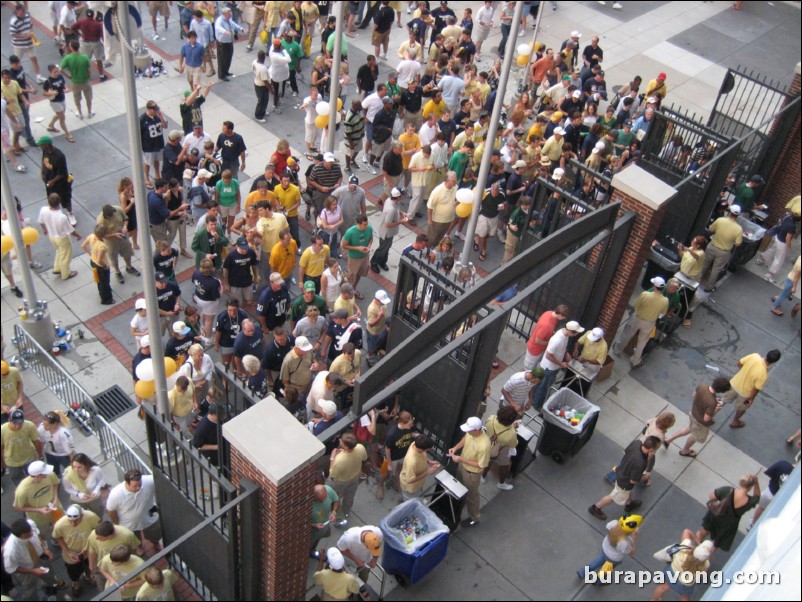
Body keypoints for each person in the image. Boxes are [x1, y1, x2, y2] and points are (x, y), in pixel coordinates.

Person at [589, 437, 660, 520]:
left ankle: (629, 504)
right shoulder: (641, 463)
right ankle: (595, 508)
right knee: (613, 496)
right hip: (624, 483)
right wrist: (645, 477)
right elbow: (633, 481)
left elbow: (625, 451)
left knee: (626, 492)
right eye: (657, 447)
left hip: (620, 471)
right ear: (651, 449)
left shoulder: (636, 443)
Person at [664, 378, 732, 458]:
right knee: (695, 436)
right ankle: (685, 451)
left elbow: (694, 395)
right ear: (721, 391)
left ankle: (668, 440)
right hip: (700, 422)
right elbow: (706, 419)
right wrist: (716, 410)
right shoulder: (712, 403)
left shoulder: (702, 386)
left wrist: (710, 400)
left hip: (693, 413)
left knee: (689, 428)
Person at [3, 518, 66, 600]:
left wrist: (44, 549)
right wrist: (33, 571)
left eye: (31, 531)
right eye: (28, 535)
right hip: (26, 569)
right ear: (20, 535)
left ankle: (51, 584)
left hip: (41, 558)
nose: (32, 534)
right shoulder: (10, 550)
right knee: (30, 589)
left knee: (49, 574)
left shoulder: (30, 524)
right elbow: (11, 569)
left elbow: (38, 535)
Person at [697, 474, 760, 552]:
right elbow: (757, 496)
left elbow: (711, 496)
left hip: (715, 515)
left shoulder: (727, 490)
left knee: (703, 532)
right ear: (750, 487)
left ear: (740, 483)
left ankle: (695, 546)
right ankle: (704, 558)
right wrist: (756, 482)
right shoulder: (750, 502)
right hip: (728, 524)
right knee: (715, 544)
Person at [531, 321, 585, 412]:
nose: (577, 334)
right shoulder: (557, 340)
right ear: (570, 331)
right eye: (576, 332)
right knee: (544, 387)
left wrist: (566, 353)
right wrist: (561, 364)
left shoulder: (565, 334)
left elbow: (562, 347)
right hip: (550, 368)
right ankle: (537, 404)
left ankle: (533, 396)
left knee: (540, 383)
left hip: (552, 367)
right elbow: (549, 355)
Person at [447, 417, 490, 527]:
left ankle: (474, 517)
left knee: (472, 496)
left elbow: (482, 465)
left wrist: (461, 460)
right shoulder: (471, 434)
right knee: (459, 485)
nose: (467, 432)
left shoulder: (484, 445)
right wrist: (455, 448)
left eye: (469, 430)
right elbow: (465, 439)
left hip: (472, 474)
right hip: (462, 466)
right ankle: (460, 503)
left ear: (476, 430)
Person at [721, 349, 781, 429]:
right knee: (742, 408)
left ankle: (710, 414)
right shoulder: (763, 375)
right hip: (745, 395)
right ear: (774, 362)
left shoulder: (754, 356)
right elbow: (755, 389)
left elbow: (739, 363)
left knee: (723, 400)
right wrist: (750, 399)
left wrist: (743, 371)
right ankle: (735, 421)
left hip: (734, 384)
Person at [619, 276, 670, 368]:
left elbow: (636, 304)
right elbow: (663, 313)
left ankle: (618, 349)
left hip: (637, 318)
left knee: (627, 334)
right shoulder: (665, 301)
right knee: (642, 342)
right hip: (649, 322)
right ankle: (635, 360)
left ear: (654, 286)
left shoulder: (645, 294)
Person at [106, 469, 162, 549]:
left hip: (148, 518)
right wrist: (116, 523)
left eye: (140, 484)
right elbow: (111, 510)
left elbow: (163, 479)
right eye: (135, 486)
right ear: (126, 483)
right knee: (135, 539)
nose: (138, 488)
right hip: (128, 524)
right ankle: (139, 546)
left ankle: (155, 543)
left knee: (155, 534)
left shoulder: (149, 480)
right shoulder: (116, 494)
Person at [650, 531, 714, 601]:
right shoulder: (706, 565)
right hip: (685, 584)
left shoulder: (684, 549)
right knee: (685, 598)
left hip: (671, 572)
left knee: (662, 588)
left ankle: (654, 600)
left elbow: (686, 531)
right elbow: (704, 568)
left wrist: (697, 541)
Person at [53, 504, 101, 598]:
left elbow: (97, 530)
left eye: (76, 520)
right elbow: (58, 537)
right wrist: (67, 552)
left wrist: (88, 546)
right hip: (72, 552)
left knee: (89, 565)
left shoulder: (91, 517)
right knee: (73, 571)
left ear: (82, 515)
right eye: (70, 520)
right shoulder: (60, 524)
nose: (73, 524)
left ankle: (88, 576)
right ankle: (75, 582)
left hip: (88, 550)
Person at [577, 514, 642, 581]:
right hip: (613, 558)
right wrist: (635, 538)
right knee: (606, 570)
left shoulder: (613, 524)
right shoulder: (624, 542)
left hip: (605, 548)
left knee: (598, 561)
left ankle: (583, 571)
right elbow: (630, 553)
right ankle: (598, 581)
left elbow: (607, 526)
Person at [85, 520, 142, 590]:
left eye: (100, 538)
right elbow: (91, 550)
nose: (97, 538)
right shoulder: (94, 535)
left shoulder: (127, 535)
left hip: (122, 568)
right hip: (103, 567)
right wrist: (91, 566)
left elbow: (133, 549)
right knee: (103, 586)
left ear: (110, 536)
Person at [38, 192, 81, 281]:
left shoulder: (43, 210)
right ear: (59, 202)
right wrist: (78, 236)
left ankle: (57, 268)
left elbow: (41, 222)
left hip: (51, 236)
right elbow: (71, 230)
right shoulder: (62, 217)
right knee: (65, 256)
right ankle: (66, 273)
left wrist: (45, 230)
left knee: (59, 251)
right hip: (62, 238)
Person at [700, 205, 743, 292]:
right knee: (716, 270)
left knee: (704, 264)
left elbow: (711, 229)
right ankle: (708, 287)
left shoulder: (720, 220)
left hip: (712, 246)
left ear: (729, 212)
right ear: (737, 215)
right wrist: (732, 242)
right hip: (724, 252)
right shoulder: (739, 229)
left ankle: (696, 280)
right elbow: (738, 244)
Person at [483, 406, 519, 491]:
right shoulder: (511, 433)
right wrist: (513, 428)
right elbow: (513, 444)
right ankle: (501, 483)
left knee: (488, 461)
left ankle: (483, 476)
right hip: (502, 449)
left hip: (488, 445)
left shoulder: (490, 419)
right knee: (504, 465)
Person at [62, 452, 106, 516]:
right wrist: (78, 494)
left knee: (98, 515)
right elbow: (67, 488)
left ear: (86, 465)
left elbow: (101, 480)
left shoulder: (95, 470)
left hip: (94, 499)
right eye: (74, 467)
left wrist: (96, 490)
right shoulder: (68, 474)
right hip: (78, 500)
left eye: (79, 467)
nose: (76, 470)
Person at [398, 434, 440, 500]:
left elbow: (422, 454)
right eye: (428, 449)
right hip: (411, 488)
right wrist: (427, 472)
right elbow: (410, 480)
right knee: (410, 501)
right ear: (422, 449)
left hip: (418, 484)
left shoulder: (415, 444)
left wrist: (429, 461)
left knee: (418, 494)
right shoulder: (411, 462)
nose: (429, 449)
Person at [342, 215, 373, 299]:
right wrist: (357, 248)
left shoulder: (369, 228)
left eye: (367, 224)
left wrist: (369, 247)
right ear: (358, 224)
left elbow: (371, 238)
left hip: (364, 257)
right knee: (351, 276)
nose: (366, 226)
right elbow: (344, 245)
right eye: (364, 225)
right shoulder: (350, 232)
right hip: (354, 258)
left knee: (359, 274)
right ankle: (346, 293)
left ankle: (353, 290)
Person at [81, 224, 115, 305]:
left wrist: (90, 254)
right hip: (101, 266)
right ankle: (106, 299)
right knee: (104, 283)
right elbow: (100, 260)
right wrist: (105, 266)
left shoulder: (91, 236)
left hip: (93, 261)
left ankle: (104, 293)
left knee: (100, 281)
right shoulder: (102, 246)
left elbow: (83, 246)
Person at [42, 63, 75, 142]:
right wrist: (51, 93)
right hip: (55, 101)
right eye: (54, 72)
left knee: (59, 114)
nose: (57, 73)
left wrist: (66, 89)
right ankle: (67, 134)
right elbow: (44, 93)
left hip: (62, 98)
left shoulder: (60, 77)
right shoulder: (48, 81)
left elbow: (63, 85)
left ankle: (51, 125)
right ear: (50, 72)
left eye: (57, 71)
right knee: (62, 118)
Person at [60, 40, 93, 119]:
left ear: (71, 47)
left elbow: (60, 69)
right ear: (79, 47)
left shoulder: (68, 58)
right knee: (88, 98)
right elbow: (89, 70)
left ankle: (80, 113)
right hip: (85, 81)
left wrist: (68, 76)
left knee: (77, 99)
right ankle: (89, 112)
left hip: (75, 82)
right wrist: (88, 78)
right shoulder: (84, 57)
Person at [37, 411, 75, 477]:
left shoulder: (63, 434)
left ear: (55, 424)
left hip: (64, 455)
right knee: (53, 471)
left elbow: (70, 452)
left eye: (47, 425)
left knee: (69, 471)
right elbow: (41, 441)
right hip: (50, 453)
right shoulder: (41, 429)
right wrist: (40, 454)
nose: (44, 427)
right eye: (43, 424)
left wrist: (73, 464)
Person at [140, 100, 168, 189]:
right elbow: (138, 133)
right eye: (154, 109)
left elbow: (165, 126)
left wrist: (161, 117)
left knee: (157, 160)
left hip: (158, 143)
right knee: (147, 162)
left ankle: (157, 174)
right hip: (148, 145)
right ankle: (147, 178)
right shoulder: (142, 119)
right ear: (149, 109)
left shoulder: (158, 116)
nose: (156, 111)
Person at [215, 298, 249, 370]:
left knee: (237, 360)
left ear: (238, 308)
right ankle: (224, 377)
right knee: (226, 362)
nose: (232, 313)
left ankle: (236, 373)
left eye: (234, 310)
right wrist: (216, 344)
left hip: (239, 342)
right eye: (229, 310)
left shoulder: (243, 314)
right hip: (226, 343)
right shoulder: (222, 317)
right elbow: (218, 331)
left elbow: (246, 327)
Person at [214, 6, 244, 81]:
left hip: (229, 41)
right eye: (229, 15)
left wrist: (241, 29)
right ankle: (221, 75)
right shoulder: (219, 21)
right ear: (224, 14)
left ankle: (226, 71)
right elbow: (217, 27)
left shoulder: (228, 19)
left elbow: (233, 24)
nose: (230, 16)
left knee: (228, 57)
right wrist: (224, 31)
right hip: (222, 43)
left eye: (230, 14)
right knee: (222, 59)